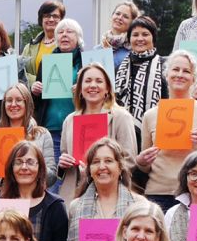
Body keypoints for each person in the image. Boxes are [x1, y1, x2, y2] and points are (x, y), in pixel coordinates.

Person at [136, 50, 197, 211]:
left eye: (186, 71)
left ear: (193, 79)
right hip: (158, 193)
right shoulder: (150, 115)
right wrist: (141, 162)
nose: (180, 75)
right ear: (166, 75)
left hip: (195, 192)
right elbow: (146, 165)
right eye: (175, 69)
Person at [57, 63, 140, 201]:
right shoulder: (69, 120)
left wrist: (102, 170)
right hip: (75, 195)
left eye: (99, 81)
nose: (93, 85)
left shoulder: (121, 117)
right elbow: (64, 154)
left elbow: (129, 161)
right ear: (80, 89)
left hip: (110, 194)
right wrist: (63, 163)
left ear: (107, 88)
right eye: (88, 81)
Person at [0, 140, 69, 241]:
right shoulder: (1, 203)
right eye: (18, 162)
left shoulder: (54, 205)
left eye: (30, 162)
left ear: (40, 168)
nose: (24, 167)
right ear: (11, 168)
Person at [0, 84, 57, 195]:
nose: (13, 104)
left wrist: (34, 166)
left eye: (19, 100)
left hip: (33, 198)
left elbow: (51, 178)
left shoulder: (42, 134)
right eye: (9, 100)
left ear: (27, 103)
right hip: (0, 199)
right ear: (3, 104)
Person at [36, 18, 84, 158]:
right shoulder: (46, 62)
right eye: (60, 32)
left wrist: (84, 89)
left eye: (70, 32)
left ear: (78, 37)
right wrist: (35, 91)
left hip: (79, 128)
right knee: (55, 176)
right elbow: (37, 102)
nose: (64, 35)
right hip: (52, 129)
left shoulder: (88, 62)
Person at [114, 15, 166, 123]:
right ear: (129, 39)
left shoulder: (165, 65)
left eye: (145, 34)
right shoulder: (119, 69)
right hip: (125, 128)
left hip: (158, 127)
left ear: (153, 38)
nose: (140, 39)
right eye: (135, 35)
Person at [20, 0, 66, 82]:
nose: (51, 19)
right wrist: (34, 83)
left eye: (55, 16)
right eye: (47, 16)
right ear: (41, 19)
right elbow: (20, 72)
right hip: (33, 93)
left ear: (61, 20)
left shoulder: (67, 45)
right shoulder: (29, 48)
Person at [98, 0, 140, 69]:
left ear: (133, 22)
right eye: (117, 14)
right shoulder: (97, 49)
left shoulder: (134, 51)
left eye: (125, 16)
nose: (120, 18)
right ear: (112, 16)